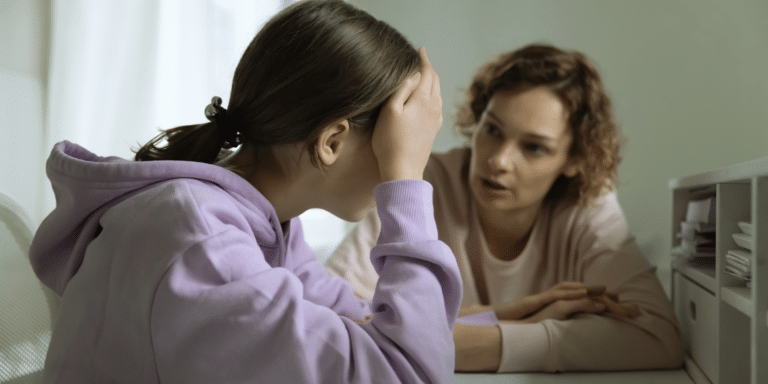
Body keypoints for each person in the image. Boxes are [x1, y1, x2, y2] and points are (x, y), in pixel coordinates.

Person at [28, 1, 462, 382]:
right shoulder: (202, 238)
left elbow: (362, 320)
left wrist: (510, 329)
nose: (403, 157)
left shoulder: (262, 226)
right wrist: (405, 179)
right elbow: (408, 374)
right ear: (332, 142)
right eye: (396, 141)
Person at [326, 44, 685, 373]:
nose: (498, 160)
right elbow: (333, 322)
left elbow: (658, 337)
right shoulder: (423, 181)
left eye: (534, 147)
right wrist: (522, 323)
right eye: (493, 130)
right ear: (478, 120)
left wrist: (477, 343)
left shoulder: (587, 204)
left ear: (574, 158)